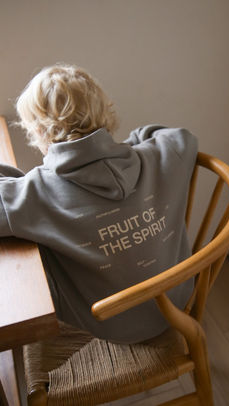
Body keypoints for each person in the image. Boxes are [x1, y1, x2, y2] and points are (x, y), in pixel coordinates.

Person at [0, 64, 198, 344]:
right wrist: (130, 145)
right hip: (177, 302)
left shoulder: (35, 192)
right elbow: (181, 138)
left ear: (39, 132)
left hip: (105, 326)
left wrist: (13, 179)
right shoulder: (156, 157)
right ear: (105, 111)